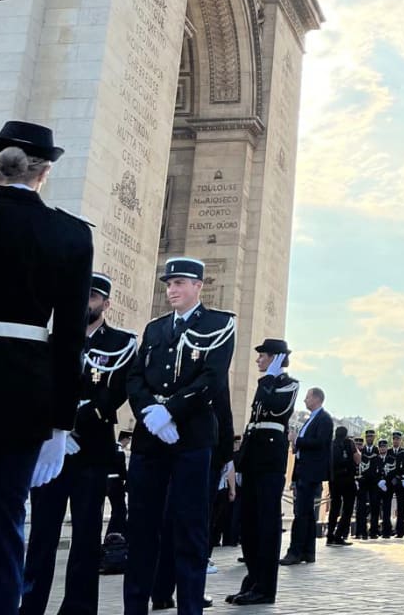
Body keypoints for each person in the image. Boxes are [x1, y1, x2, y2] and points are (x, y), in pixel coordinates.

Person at [0, 121, 93, 614]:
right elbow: (70, 338)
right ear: (45, 173)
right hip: (21, 398)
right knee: (3, 528)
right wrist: (60, 424)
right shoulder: (69, 233)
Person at [124, 257, 236, 615]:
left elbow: (212, 378)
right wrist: (151, 414)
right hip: (150, 438)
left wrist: (170, 410)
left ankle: (190, 609)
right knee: (141, 529)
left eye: (180, 283)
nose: (171, 290)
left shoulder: (220, 325)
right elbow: (135, 378)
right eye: (169, 284)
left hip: (191, 439)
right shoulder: (155, 329)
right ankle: (134, 607)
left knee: (189, 531)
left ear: (198, 286)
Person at [21, 272, 136, 615]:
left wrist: (70, 423)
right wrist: (56, 429)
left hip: (92, 448)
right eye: (82, 295)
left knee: (86, 535)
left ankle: (79, 608)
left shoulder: (121, 342)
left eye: (94, 297)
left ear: (106, 303)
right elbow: (36, 387)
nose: (86, 302)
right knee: (42, 533)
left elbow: (115, 393)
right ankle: (31, 604)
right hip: (52, 450)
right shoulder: (55, 339)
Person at [227, 338, 298, 606]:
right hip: (254, 459)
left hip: (270, 461)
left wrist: (270, 377)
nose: (258, 360)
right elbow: (253, 425)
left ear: (276, 358)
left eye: (263, 356)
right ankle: (253, 580)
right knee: (249, 524)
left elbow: (276, 408)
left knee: (266, 526)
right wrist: (241, 463)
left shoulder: (288, 384)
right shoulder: (265, 383)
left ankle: (265, 588)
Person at [280, 388, 333, 565]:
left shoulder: (324, 419)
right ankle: (308, 552)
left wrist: (298, 440)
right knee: (308, 514)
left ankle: (295, 551)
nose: (305, 400)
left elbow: (320, 442)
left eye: (308, 397)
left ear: (317, 398)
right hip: (303, 471)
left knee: (301, 513)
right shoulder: (310, 419)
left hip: (311, 472)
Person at [326, 425, 359, 546]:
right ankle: (338, 535)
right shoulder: (349, 443)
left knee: (334, 508)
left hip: (334, 480)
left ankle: (330, 535)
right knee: (348, 508)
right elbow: (358, 459)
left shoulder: (331, 444)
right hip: (348, 480)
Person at [384, 431, 404, 538]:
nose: (396, 441)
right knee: (399, 508)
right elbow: (393, 467)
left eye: (398, 439)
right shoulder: (393, 453)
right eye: (394, 439)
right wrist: (397, 478)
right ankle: (398, 531)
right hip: (396, 482)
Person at [106, 430, 133, 538]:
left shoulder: (110, 447)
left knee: (117, 509)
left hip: (108, 481)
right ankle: (116, 532)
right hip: (115, 482)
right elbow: (121, 470)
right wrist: (127, 478)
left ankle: (114, 532)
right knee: (120, 509)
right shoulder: (118, 449)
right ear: (125, 439)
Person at [354, 430, 377, 539]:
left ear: (374, 438)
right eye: (367, 437)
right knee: (361, 508)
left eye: (371, 437)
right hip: (362, 482)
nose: (369, 439)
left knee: (374, 507)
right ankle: (360, 532)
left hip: (373, 483)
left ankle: (373, 532)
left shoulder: (376, 450)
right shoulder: (361, 451)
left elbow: (379, 465)